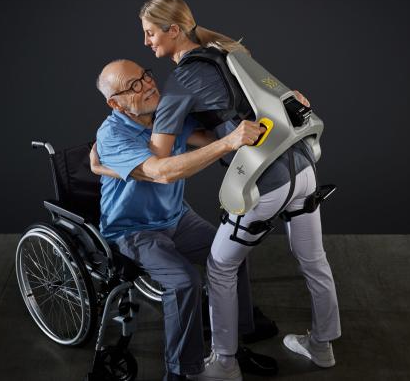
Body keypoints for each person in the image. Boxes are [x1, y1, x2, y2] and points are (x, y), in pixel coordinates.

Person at [139, 0, 342, 379]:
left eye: (151, 33)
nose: (147, 42)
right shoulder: (229, 53)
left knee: (219, 268)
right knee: (314, 260)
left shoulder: (181, 80)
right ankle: (321, 346)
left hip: (263, 181)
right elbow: (287, 99)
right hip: (302, 168)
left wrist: (149, 129)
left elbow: (159, 157)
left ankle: (225, 363)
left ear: (174, 30)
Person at [92, 59, 275, 381]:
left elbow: (210, 139)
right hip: (133, 230)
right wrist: (229, 142)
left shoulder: (167, 114)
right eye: (133, 85)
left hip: (178, 217)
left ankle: (233, 345)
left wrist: (272, 113)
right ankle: (179, 372)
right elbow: (162, 173)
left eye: (145, 75)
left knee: (233, 254)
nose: (148, 84)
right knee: (184, 282)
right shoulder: (111, 134)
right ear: (114, 103)